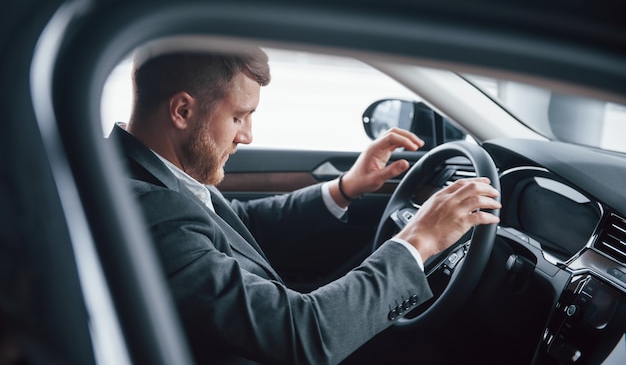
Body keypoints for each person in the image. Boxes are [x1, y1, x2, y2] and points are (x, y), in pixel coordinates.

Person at [110, 43, 501, 365]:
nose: (247, 136)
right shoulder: (148, 209)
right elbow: (301, 333)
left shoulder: (157, 174)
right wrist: (420, 241)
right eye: (238, 117)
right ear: (182, 111)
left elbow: (242, 226)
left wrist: (344, 188)